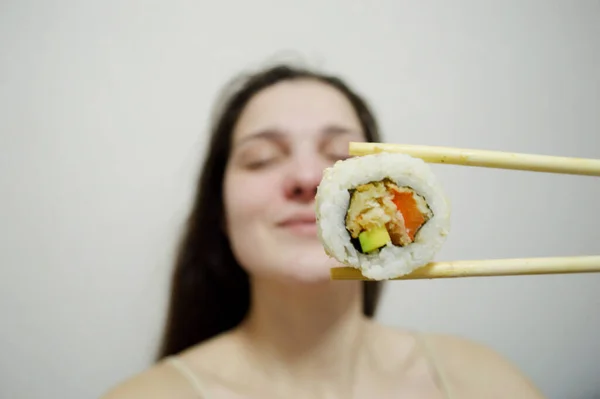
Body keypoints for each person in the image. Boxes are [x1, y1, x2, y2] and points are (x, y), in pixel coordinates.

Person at [102, 62, 545, 399]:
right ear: (219, 210)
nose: (308, 177)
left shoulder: (486, 381)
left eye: (338, 153)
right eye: (261, 158)